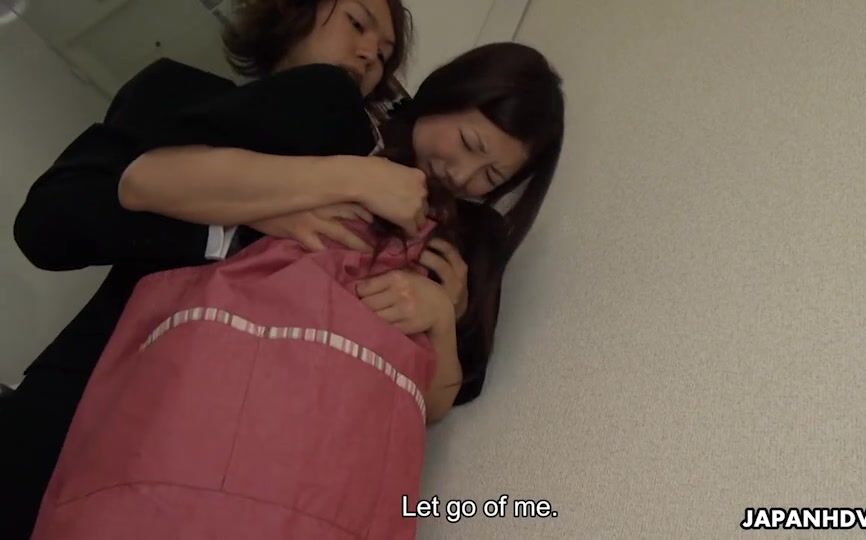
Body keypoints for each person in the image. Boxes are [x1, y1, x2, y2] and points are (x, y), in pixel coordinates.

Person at [30, 42, 564, 539]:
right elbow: (136, 185)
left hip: (332, 466)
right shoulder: (336, 126)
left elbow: (435, 398)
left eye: (491, 176)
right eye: (469, 144)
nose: (464, 175)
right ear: (446, 95)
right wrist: (328, 189)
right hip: (204, 413)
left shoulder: (474, 243)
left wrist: (444, 320)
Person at [2, 1, 414, 537]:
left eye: (384, 56)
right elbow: (49, 222)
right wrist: (235, 213)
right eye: (357, 23)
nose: (368, 55)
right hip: (86, 396)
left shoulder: (376, 175)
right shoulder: (180, 90)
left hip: (242, 447)